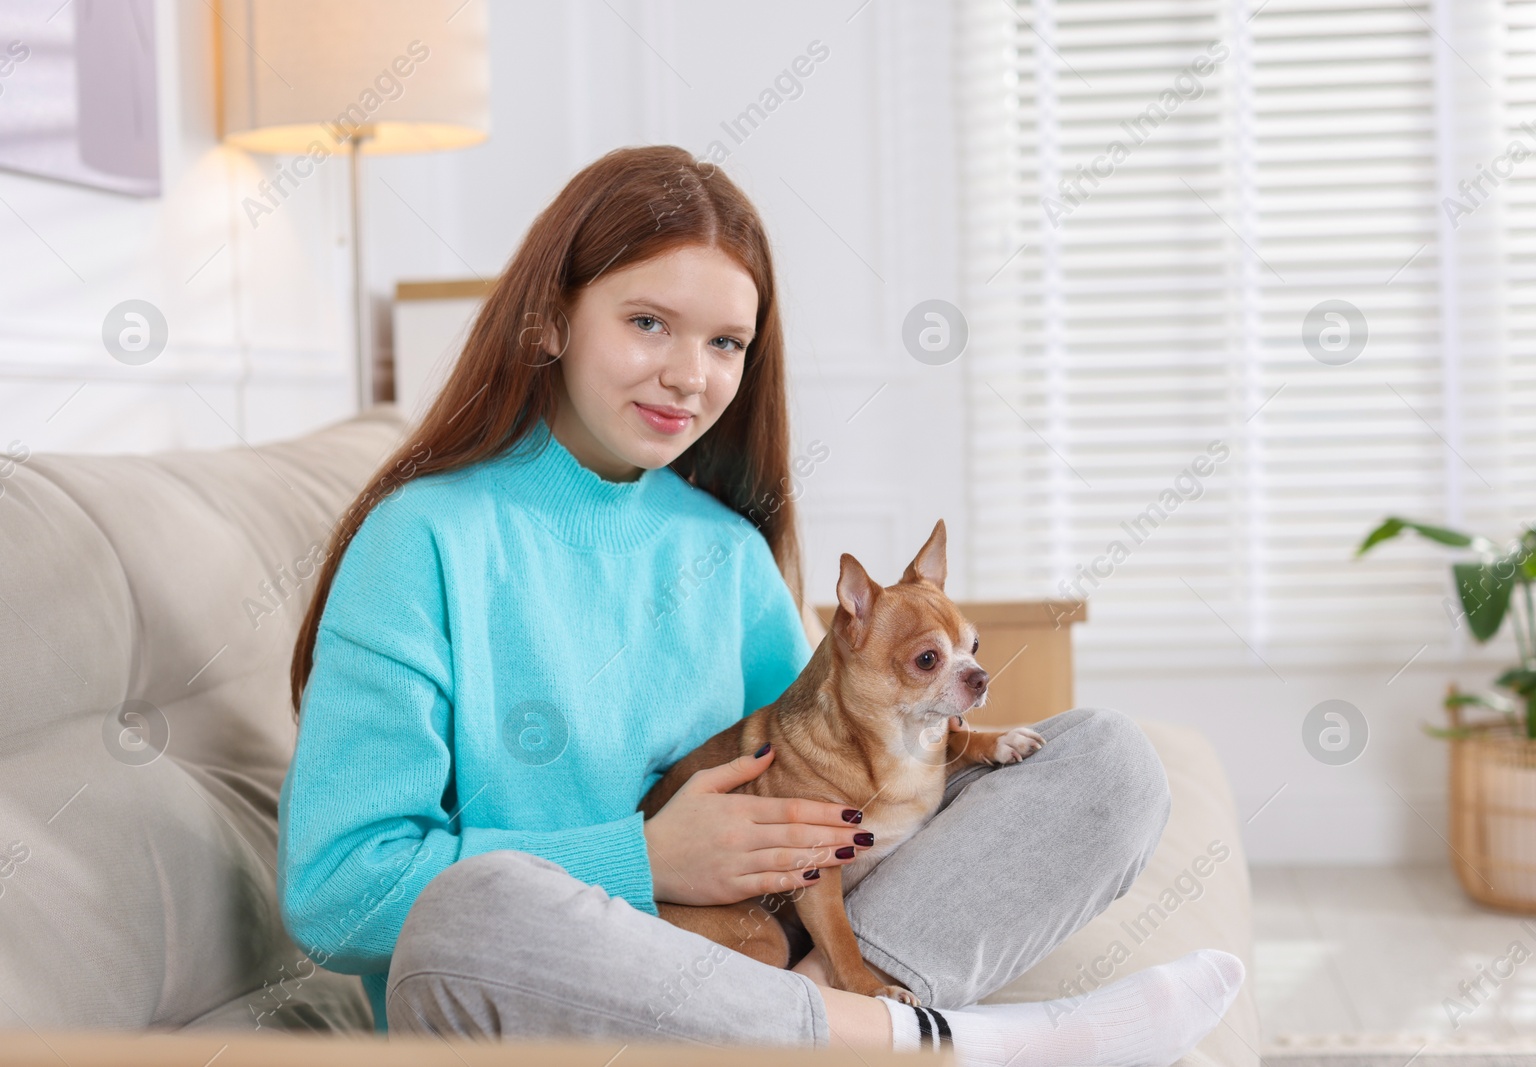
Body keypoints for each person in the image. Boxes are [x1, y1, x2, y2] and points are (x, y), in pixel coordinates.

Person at [276, 145, 1243, 1066]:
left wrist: (950, 758)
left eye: (726, 341)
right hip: (550, 1001)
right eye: (647, 322)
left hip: (766, 966)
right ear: (552, 317)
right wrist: (643, 859)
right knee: (477, 906)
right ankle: (948, 1044)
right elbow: (337, 896)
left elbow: (839, 790)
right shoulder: (424, 539)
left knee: (1108, 761)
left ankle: (841, 1024)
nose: (690, 375)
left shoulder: (730, 552)